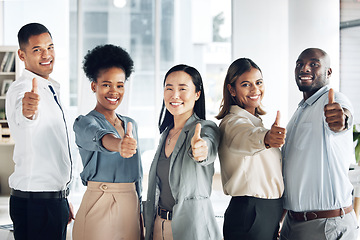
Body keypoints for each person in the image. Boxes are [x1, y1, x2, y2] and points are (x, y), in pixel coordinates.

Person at [280, 48, 358, 240]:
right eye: (299, 64)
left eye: (314, 64)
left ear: (328, 72)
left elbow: (342, 116)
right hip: (293, 223)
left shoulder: (333, 99)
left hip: (325, 226)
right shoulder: (299, 111)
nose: (304, 68)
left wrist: (341, 119)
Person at [5, 23, 73, 240]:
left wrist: (63, 197)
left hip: (51, 200)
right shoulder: (23, 89)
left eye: (50, 47)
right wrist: (28, 112)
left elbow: (52, 148)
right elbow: (25, 123)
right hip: (37, 205)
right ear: (21, 55)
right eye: (37, 50)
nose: (47, 55)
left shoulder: (50, 86)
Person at [72, 44, 143, 240]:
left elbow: (138, 175)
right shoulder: (84, 123)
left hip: (131, 202)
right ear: (94, 86)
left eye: (120, 85)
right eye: (106, 84)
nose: (114, 91)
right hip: (98, 203)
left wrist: (141, 215)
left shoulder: (131, 124)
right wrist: (119, 145)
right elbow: (100, 137)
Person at [144, 64, 222, 240]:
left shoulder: (204, 128)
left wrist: (201, 150)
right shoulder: (165, 134)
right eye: (169, 88)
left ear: (197, 94)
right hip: (159, 226)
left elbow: (206, 148)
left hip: (192, 229)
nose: (175, 95)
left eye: (182, 89)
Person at [216, 58, 285, 240]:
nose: (255, 90)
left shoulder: (255, 122)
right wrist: (267, 138)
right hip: (250, 214)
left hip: (267, 213)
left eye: (259, 82)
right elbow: (246, 137)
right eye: (246, 84)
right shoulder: (231, 123)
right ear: (232, 89)